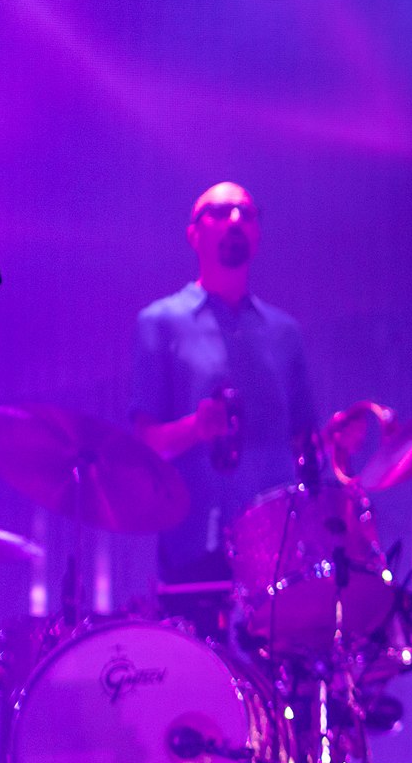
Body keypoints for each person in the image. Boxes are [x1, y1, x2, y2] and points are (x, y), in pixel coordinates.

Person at [132, 181, 317, 622]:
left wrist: (337, 443)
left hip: (278, 550)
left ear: (257, 234)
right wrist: (195, 428)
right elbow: (144, 445)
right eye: (220, 212)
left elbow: (305, 442)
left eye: (246, 213)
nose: (235, 219)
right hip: (194, 545)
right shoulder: (160, 322)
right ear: (193, 234)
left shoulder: (285, 333)